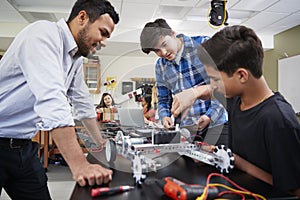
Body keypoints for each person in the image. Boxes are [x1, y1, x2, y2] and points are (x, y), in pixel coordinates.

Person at [0, 0, 119, 199]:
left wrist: (101, 143)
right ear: (82, 18)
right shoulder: (42, 34)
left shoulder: (74, 58)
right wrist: (80, 165)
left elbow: (83, 103)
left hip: (22, 146)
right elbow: (52, 101)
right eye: (103, 32)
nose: (104, 41)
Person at [174, 25, 300, 197]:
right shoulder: (237, 99)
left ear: (241, 75)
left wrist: (236, 161)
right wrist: (193, 93)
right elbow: (211, 91)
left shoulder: (277, 119)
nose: (212, 84)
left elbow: (293, 189)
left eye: (215, 78)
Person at [140, 18, 227, 143]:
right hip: (186, 130)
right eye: (157, 50)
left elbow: (224, 86)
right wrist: (165, 117)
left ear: (172, 33)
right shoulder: (160, 66)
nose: (163, 52)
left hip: (216, 125)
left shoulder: (204, 45)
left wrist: (210, 116)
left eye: (164, 44)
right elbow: (164, 99)